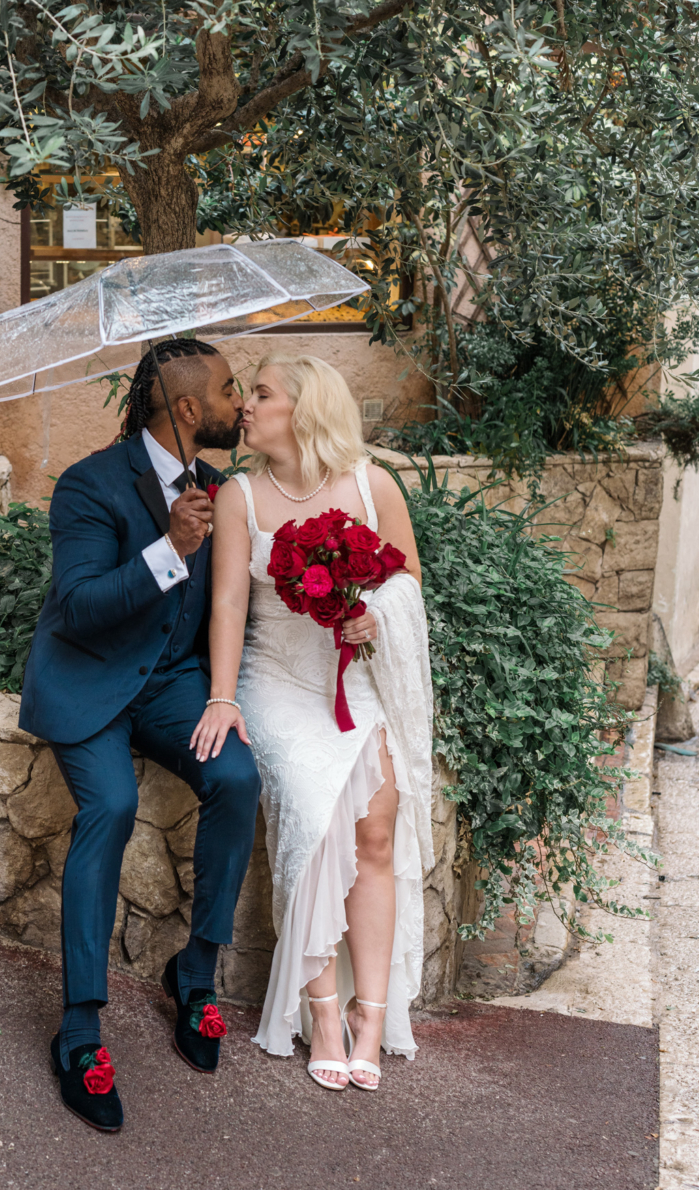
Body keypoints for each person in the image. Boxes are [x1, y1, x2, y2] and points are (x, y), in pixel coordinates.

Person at [19, 337, 261, 1133]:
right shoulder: (89, 484)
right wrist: (170, 550)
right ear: (186, 408)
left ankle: (193, 973)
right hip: (89, 679)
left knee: (236, 780)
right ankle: (81, 1030)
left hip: (167, 688)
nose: (240, 402)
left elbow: (232, 605)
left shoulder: (219, 486)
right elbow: (82, 605)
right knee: (112, 806)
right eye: (229, 390)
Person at [203, 354, 433, 1091]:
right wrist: (222, 696)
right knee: (312, 811)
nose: (246, 405)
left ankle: (372, 1015)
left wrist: (371, 616)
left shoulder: (373, 485)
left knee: (374, 825)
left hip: (353, 680)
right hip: (276, 683)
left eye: (261, 394)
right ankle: (323, 1014)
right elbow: (230, 605)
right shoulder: (240, 495)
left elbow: (408, 584)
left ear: (303, 409)